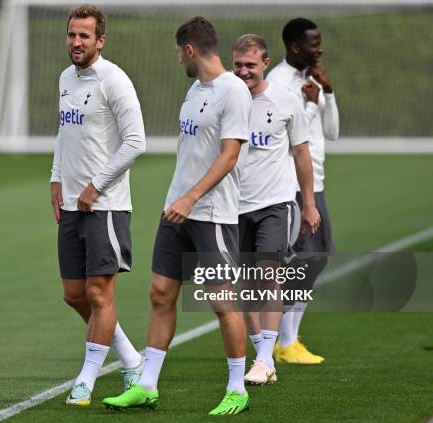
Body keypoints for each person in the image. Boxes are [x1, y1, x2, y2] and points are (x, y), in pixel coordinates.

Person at [102, 17, 252, 416]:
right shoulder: (194, 89)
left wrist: (192, 198)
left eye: (177, 52)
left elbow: (230, 154)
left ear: (189, 49)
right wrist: (178, 200)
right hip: (177, 211)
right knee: (160, 294)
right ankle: (147, 385)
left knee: (222, 301)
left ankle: (238, 387)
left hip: (213, 213)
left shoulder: (234, 91)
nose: (177, 59)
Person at [50, 4, 146, 406]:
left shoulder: (114, 80)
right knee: (75, 295)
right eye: (72, 34)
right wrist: (56, 176)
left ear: (100, 40)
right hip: (71, 204)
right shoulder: (66, 79)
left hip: (105, 207)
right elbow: (64, 131)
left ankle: (86, 380)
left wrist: (96, 185)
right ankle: (131, 359)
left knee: (100, 293)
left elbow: (136, 142)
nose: (76, 42)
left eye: (84, 35)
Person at [232, 34, 320, 384]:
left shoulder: (285, 101)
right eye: (238, 64)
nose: (243, 72)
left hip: (275, 203)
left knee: (269, 275)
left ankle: (267, 357)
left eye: (250, 65)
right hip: (233, 207)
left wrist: (309, 204)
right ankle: (261, 356)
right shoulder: (226, 99)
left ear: (265, 63)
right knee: (246, 285)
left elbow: (301, 153)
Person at [266, 17, 339, 364]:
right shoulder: (278, 82)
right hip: (293, 186)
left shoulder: (311, 79)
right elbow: (284, 140)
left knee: (317, 259)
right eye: (314, 43)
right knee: (300, 262)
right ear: (295, 46)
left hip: (315, 182)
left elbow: (332, 132)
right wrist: (308, 104)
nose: (320, 48)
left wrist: (328, 93)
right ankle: (285, 342)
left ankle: (287, 340)